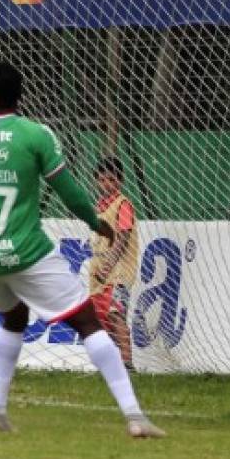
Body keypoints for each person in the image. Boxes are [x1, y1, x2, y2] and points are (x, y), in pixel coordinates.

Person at [0, 62, 165, 438]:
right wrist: (96, 223)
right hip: (28, 252)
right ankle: (134, 416)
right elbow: (71, 194)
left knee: (14, 316)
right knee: (87, 322)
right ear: (21, 97)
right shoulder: (36, 135)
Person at [89, 155, 138, 370]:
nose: (106, 184)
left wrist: (109, 263)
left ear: (120, 181)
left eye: (111, 179)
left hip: (118, 271)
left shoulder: (123, 205)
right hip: (99, 272)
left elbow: (124, 236)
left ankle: (127, 363)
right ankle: (113, 363)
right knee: (102, 319)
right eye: (102, 180)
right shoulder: (98, 207)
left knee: (116, 313)